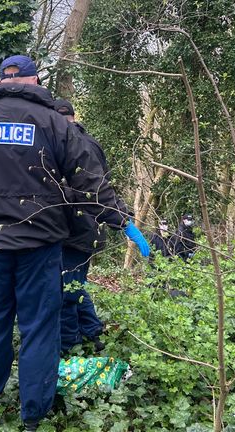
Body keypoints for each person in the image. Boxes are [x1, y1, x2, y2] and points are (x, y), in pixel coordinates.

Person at [0, 55, 151, 431]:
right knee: (39, 328)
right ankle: (33, 415)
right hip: (41, 248)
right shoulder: (54, 123)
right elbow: (88, 180)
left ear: (2, 80)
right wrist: (122, 221)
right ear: (34, 80)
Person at [53, 99, 131, 354]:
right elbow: (102, 186)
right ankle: (93, 333)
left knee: (66, 289)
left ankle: (70, 345)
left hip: (75, 229)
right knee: (76, 284)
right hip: (89, 228)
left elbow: (92, 188)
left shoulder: (68, 144)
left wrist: (121, 219)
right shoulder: (91, 143)